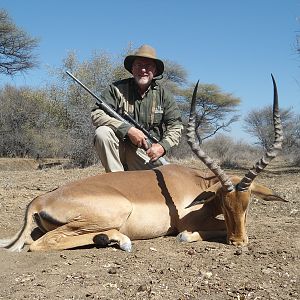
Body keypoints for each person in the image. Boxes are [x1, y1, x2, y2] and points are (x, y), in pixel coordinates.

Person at [91, 44, 183, 172]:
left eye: (148, 66)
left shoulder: (164, 95)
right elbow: (97, 114)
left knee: (169, 180)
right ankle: (117, 182)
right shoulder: (116, 89)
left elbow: (176, 126)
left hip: (146, 152)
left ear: (155, 71)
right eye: (139, 65)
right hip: (120, 150)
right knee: (102, 133)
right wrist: (128, 130)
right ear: (132, 69)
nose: (143, 70)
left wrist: (162, 147)